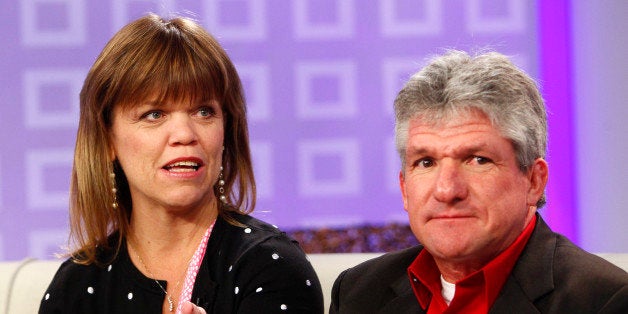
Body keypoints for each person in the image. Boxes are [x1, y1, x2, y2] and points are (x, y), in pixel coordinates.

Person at [39, 14, 323, 314]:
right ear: (108, 140)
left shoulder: (270, 269)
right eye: (154, 114)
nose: (185, 135)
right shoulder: (76, 288)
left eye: (204, 111)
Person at [329, 50, 628, 313]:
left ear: (534, 181)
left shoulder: (604, 301)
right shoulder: (360, 292)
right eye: (426, 162)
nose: (446, 190)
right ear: (404, 187)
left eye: (478, 159)